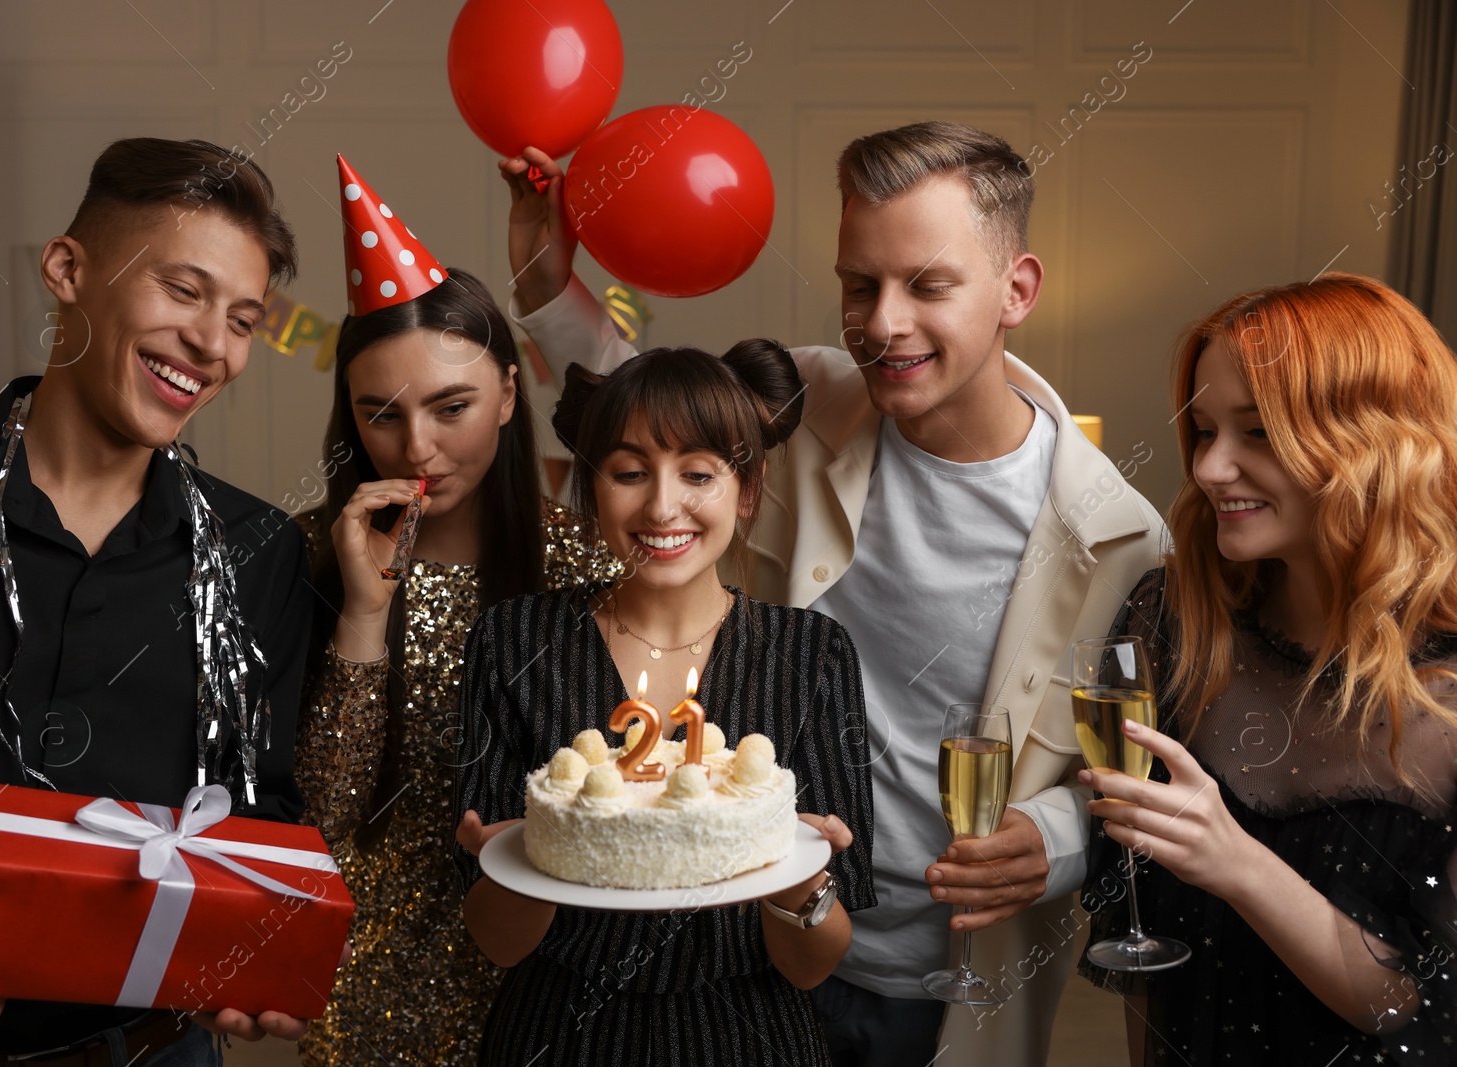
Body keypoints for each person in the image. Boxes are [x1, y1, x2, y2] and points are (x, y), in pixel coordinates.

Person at [498, 121, 1166, 1064]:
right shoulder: (808, 404)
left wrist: (1054, 837)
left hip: (960, 980)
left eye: (928, 285)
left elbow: (1139, 764)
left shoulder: (1123, 536)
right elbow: (644, 407)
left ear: (1017, 290)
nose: (882, 322)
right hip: (757, 946)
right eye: (861, 284)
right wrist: (542, 276)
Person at [0, 138, 314, 1064]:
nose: (211, 343)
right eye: (183, 291)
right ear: (68, 269)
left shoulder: (260, 552)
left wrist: (251, 954)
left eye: (243, 319)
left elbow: (261, 812)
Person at [453, 339, 875, 1066]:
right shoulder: (512, 640)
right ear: (591, 488)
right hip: (560, 1034)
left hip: (751, 1035)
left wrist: (802, 875)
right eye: (628, 472)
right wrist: (525, 855)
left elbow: (812, 964)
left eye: (699, 473)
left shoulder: (815, 656)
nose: (662, 504)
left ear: (747, 490)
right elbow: (496, 940)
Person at [290, 157, 619, 1067]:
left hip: (546, 973)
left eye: (452, 406)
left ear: (510, 396)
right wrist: (363, 612)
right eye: (382, 414)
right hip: (366, 987)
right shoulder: (309, 555)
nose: (419, 446)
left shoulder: (583, 564)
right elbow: (321, 814)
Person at [1080, 273, 1457, 1063]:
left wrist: (1238, 862)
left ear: (1372, 445)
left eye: (1255, 432)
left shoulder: (1448, 700)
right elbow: (1136, 928)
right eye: (1207, 428)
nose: (1211, 468)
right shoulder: (1175, 618)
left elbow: (1410, 1007)